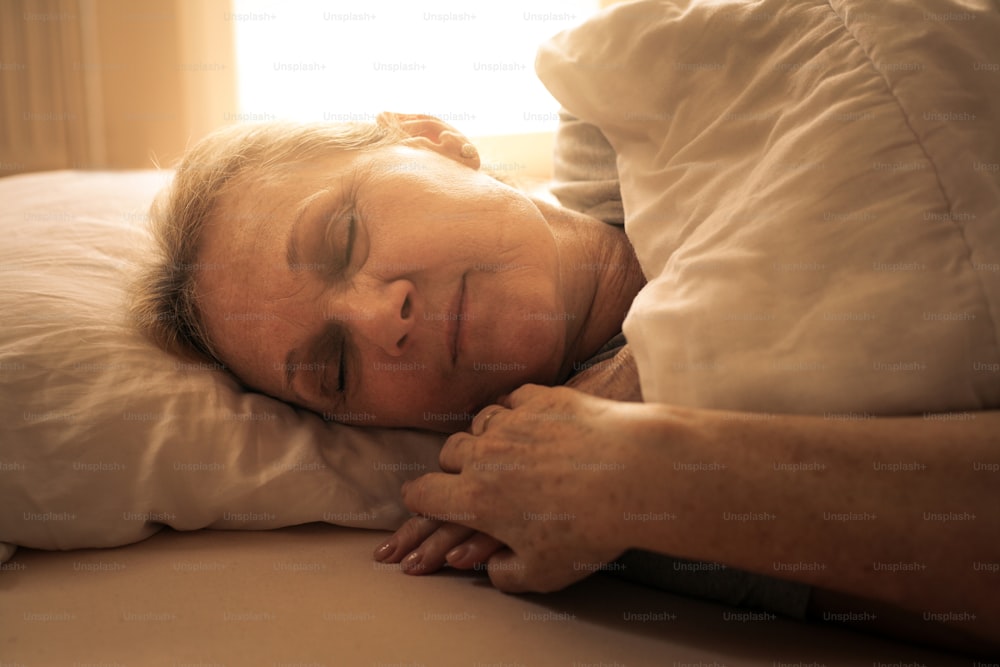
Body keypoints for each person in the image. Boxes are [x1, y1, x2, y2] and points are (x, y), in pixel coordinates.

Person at [131, 0, 999, 654]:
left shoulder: (661, 78)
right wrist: (642, 482)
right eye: (336, 369)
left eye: (343, 236)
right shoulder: (573, 525)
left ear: (430, 138)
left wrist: (641, 389)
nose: (377, 316)